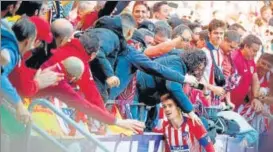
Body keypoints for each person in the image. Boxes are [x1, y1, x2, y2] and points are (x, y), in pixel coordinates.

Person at [136, 50, 207, 128]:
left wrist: (203, 88)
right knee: (136, 127)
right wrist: (190, 111)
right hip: (138, 90)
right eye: (198, 67)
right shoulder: (177, 63)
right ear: (193, 62)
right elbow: (173, 86)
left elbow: (175, 84)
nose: (198, 71)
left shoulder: (178, 62)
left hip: (145, 92)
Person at [0, 16, 36, 124]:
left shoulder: (6, 35)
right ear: (27, 41)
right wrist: (18, 104)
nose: (32, 47)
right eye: (33, 42)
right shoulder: (12, 51)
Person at [231, 34, 264, 112]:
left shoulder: (251, 59)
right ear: (246, 46)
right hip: (228, 103)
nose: (255, 54)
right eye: (254, 51)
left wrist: (256, 98)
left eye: (257, 51)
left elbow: (255, 80)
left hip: (238, 104)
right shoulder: (234, 58)